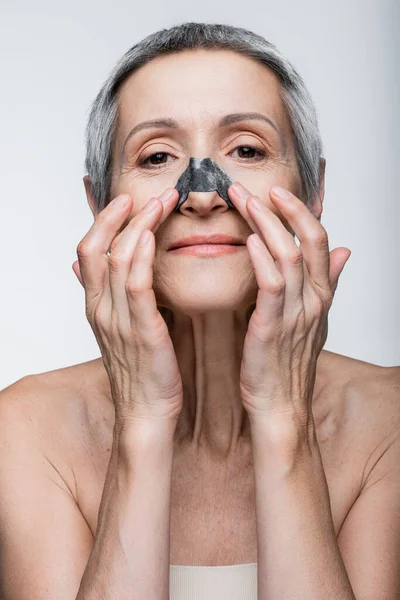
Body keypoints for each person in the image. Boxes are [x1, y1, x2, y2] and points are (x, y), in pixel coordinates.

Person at [0, 21, 399, 600]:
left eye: (246, 149)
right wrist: (143, 422)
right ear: (99, 205)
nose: (204, 193)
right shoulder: (23, 432)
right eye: (157, 155)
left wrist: (284, 416)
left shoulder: (389, 424)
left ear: (314, 194)